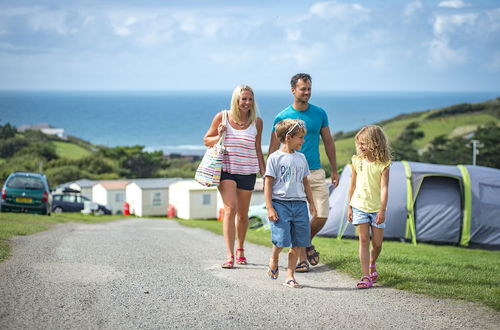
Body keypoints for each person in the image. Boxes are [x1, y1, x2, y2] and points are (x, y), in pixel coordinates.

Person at [268, 73, 339, 273]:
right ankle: (301, 258)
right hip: (290, 175)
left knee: (322, 215)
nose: (307, 92)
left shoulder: (320, 113)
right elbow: (273, 149)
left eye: (309, 89)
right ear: (293, 90)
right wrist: (271, 178)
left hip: (315, 172)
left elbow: (328, 141)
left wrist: (334, 169)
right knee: (297, 218)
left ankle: (305, 244)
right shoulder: (281, 117)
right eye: (303, 89)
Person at [204, 85, 266, 269]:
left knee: (243, 215)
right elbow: (207, 140)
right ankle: (230, 255)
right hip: (226, 170)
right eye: (243, 99)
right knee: (230, 209)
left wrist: (264, 173)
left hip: (248, 171)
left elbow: (257, 148)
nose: (247, 103)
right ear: (236, 100)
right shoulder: (222, 117)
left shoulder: (257, 122)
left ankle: (240, 249)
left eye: (250, 99)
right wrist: (220, 135)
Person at [265, 119, 317, 288]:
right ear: (289, 137)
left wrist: (311, 203)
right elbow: (268, 184)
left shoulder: (301, 158)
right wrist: (270, 207)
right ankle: (274, 258)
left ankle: (290, 275)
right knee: (281, 240)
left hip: (300, 205)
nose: (303, 141)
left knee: (299, 241)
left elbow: (306, 183)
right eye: (300, 138)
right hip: (280, 204)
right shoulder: (274, 158)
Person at [347, 125, 391, 289]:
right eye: (359, 144)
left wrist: (382, 209)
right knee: (364, 240)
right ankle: (365, 276)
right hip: (359, 206)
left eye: (364, 144)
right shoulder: (356, 161)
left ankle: (372, 263)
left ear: (375, 143)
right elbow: (351, 185)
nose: (360, 147)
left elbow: (385, 188)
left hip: (376, 209)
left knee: (377, 244)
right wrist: (349, 207)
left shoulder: (383, 164)